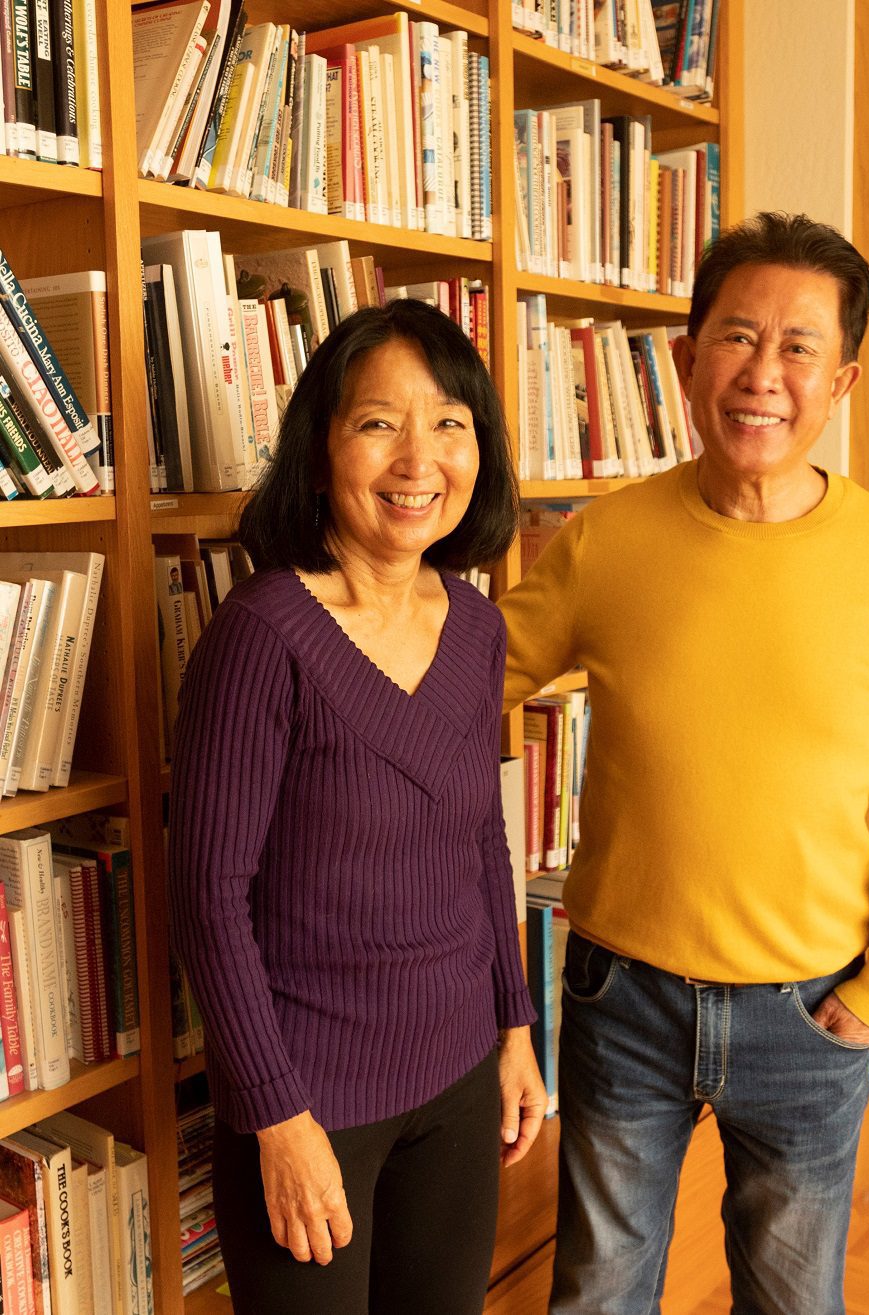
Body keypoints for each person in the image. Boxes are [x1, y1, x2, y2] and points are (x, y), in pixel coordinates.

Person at [498, 212, 869, 1315]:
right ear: (683, 357)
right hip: (622, 996)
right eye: (735, 337)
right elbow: (471, 683)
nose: (763, 374)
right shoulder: (606, 539)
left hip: (811, 1007)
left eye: (798, 346)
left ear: (841, 380)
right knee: (598, 1291)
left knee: (790, 1299)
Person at [168, 299, 546, 1315]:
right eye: (378, 422)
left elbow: (480, 833)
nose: (417, 458)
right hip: (312, 1100)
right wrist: (276, 1117)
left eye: (449, 424)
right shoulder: (261, 637)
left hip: (461, 1074)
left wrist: (515, 1025)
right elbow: (207, 896)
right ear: (321, 445)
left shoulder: (473, 623)